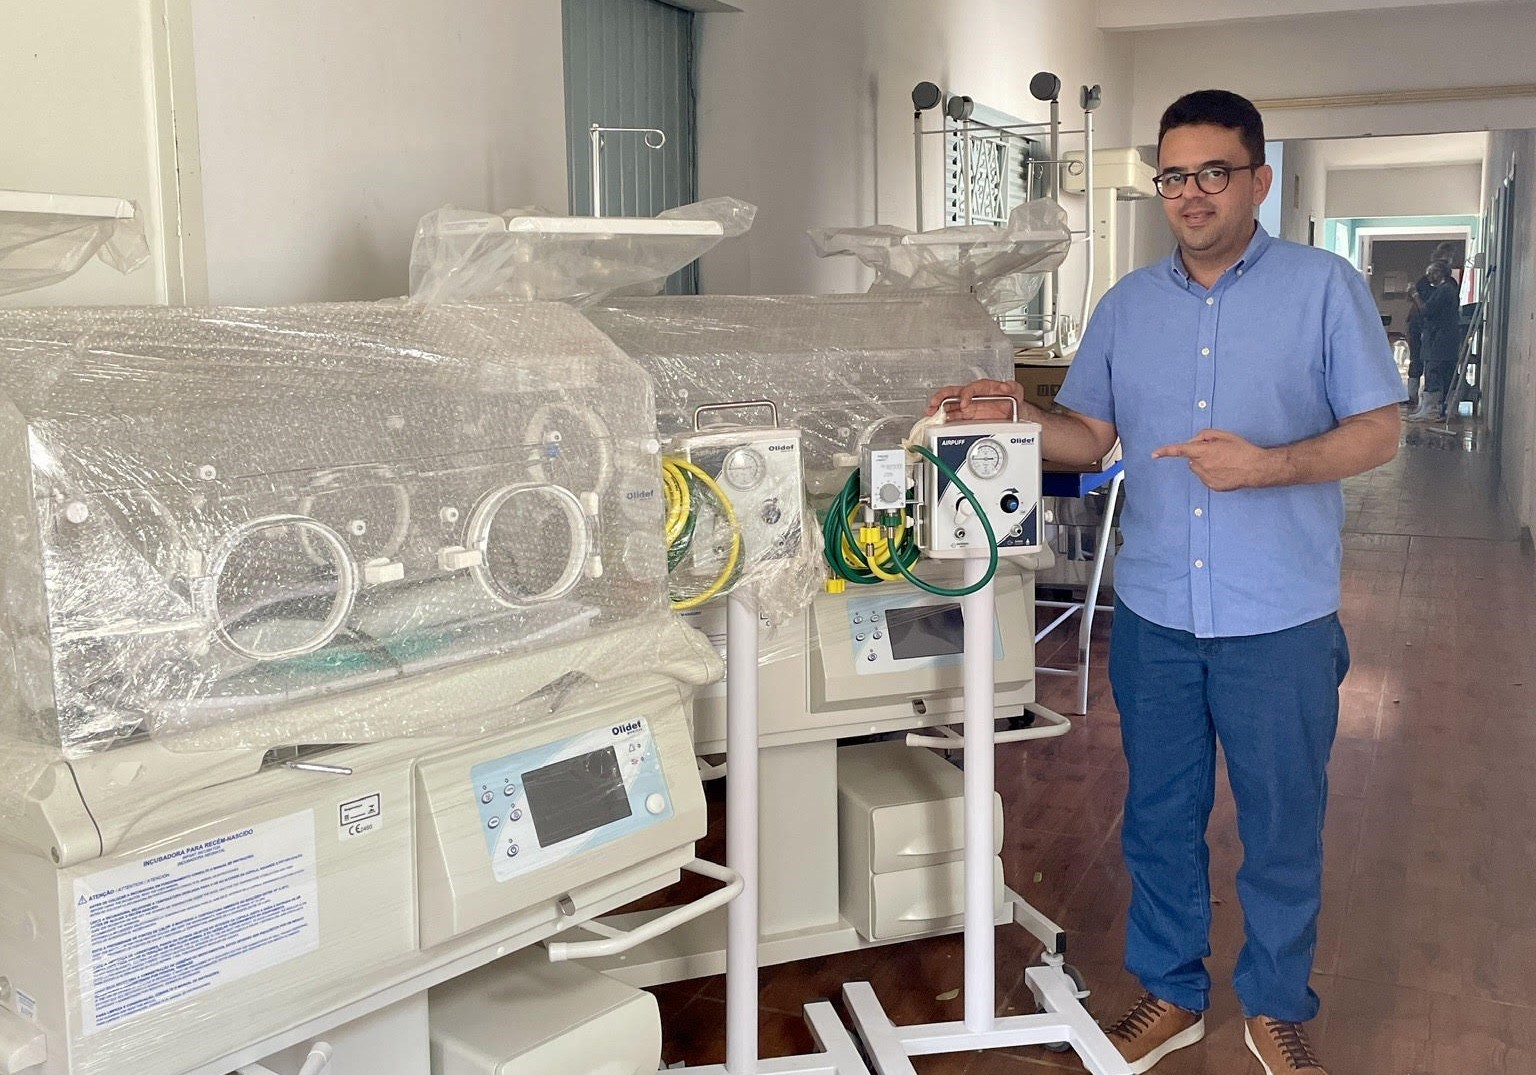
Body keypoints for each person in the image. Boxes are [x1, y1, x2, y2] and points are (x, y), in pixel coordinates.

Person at [929, 89, 1403, 1074]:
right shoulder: (1127, 306)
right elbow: (1089, 438)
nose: (1191, 193)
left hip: (1280, 616)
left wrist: (1269, 465)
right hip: (1155, 612)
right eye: (1174, 176)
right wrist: (1015, 416)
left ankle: (1275, 1006)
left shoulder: (1324, 288)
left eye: (1213, 172)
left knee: (1281, 821)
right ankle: (1173, 993)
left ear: (1257, 181)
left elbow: (1379, 430)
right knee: (1158, 814)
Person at [1408, 260, 1461, 421]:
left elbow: (1427, 311)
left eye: (1432, 273)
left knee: (1434, 371)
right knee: (1444, 373)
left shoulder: (1444, 290)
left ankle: (1431, 409)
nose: (1429, 277)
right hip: (1444, 339)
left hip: (1439, 339)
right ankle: (1442, 408)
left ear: (1441, 273)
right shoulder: (1447, 290)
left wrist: (1415, 295)